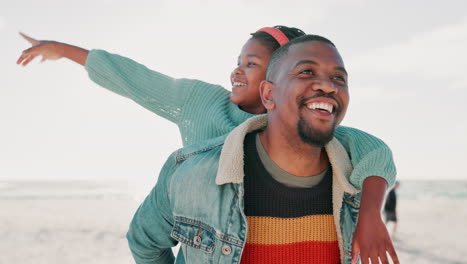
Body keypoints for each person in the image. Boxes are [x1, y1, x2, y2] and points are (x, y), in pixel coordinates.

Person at [17, 27, 396, 261]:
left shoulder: (312, 130)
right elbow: (135, 79)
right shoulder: (203, 102)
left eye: (250, 63)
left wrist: (370, 215)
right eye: (239, 61)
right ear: (271, 89)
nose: (236, 70)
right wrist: (63, 50)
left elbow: (374, 151)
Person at [126, 35, 399, 264]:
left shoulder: (357, 185)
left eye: (339, 78)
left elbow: (378, 152)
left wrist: (371, 212)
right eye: (306, 72)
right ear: (268, 95)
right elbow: (145, 242)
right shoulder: (191, 172)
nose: (328, 85)